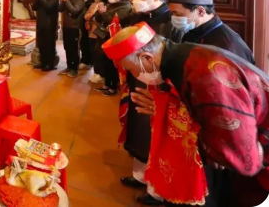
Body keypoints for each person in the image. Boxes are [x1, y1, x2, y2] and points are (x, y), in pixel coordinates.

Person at [103, 23, 269, 207]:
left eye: (132, 70)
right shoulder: (182, 58)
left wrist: (173, 118)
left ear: (147, 58)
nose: (134, 75)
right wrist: (164, 110)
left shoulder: (206, 76)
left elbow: (237, 149)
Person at [121, 0, 173, 206]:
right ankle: (140, 176)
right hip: (138, 78)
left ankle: (157, 190)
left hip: (158, 83)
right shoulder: (139, 17)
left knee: (156, 132)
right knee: (139, 127)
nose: (135, 0)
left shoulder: (170, 20)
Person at [167, 0, 255, 65]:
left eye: (178, 14)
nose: (174, 18)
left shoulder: (227, 45)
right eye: (172, 14)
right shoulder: (192, 32)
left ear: (201, 11)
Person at [93, 0, 132, 96]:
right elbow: (99, 19)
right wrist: (99, 12)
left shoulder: (124, 7)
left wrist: (104, 13)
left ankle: (112, 87)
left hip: (114, 37)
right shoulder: (111, 5)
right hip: (104, 36)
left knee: (112, 63)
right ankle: (106, 84)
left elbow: (113, 21)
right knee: (104, 61)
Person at [58, 0, 85, 78]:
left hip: (74, 27)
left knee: (74, 49)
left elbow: (74, 11)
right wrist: (62, 0)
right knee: (67, 47)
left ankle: (74, 69)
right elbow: (60, 9)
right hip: (66, 26)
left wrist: (67, 1)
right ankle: (69, 66)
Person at [32, 0, 60, 71]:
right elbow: (34, 7)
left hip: (49, 25)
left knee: (49, 45)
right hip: (41, 24)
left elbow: (48, 6)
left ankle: (49, 64)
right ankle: (43, 62)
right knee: (41, 45)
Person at [85, 0, 107, 84]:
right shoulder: (93, 4)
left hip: (99, 33)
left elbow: (100, 19)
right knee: (93, 52)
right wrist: (88, 16)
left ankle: (101, 74)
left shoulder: (104, 5)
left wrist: (94, 15)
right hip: (91, 32)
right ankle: (96, 72)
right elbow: (87, 14)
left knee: (99, 54)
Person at [78, 0, 95, 71]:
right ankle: (84, 59)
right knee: (83, 41)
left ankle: (91, 61)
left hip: (92, 24)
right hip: (84, 21)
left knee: (91, 43)